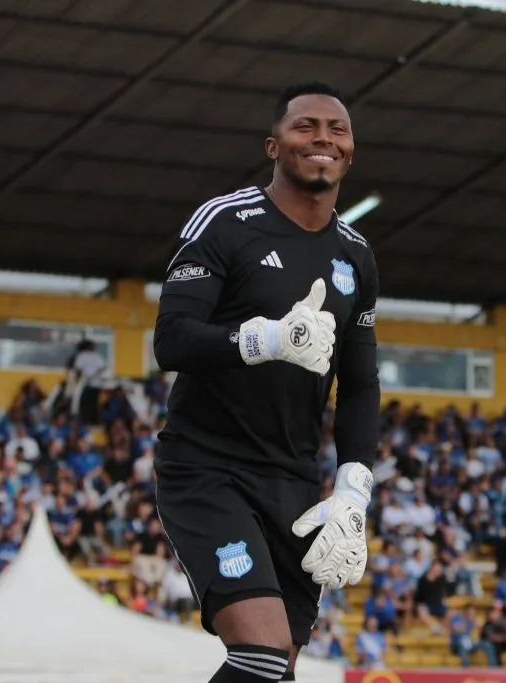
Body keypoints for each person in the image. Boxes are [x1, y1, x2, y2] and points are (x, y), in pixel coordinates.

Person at [153, 81, 380, 683]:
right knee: (260, 656)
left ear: (351, 151)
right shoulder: (226, 223)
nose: (323, 139)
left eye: (337, 129)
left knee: (278, 672)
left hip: (294, 482)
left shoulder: (357, 255)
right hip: (207, 468)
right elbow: (171, 339)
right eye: (306, 126)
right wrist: (265, 340)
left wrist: (354, 492)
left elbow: (359, 385)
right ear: (274, 145)